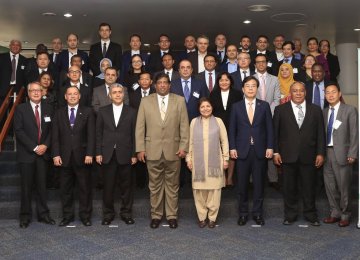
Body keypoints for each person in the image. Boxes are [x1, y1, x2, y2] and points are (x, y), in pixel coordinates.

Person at [135, 73, 189, 229]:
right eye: (160, 83)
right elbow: (140, 127)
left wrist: (184, 147)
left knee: (172, 185)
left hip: (174, 150)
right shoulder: (145, 101)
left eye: (166, 82)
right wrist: (140, 149)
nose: (163, 85)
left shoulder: (179, 100)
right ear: (155, 85)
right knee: (155, 186)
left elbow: (184, 126)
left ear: (169, 85)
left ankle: (172, 216)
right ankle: (156, 215)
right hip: (152, 150)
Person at [273, 81, 325, 226]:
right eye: (295, 91)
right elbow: (275, 134)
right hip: (287, 156)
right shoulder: (280, 110)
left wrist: (320, 153)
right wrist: (276, 152)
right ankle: (290, 215)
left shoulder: (315, 110)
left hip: (309, 156)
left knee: (309, 187)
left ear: (305, 92)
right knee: (289, 188)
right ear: (290, 93)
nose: (298, 93)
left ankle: (311, 214)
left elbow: (321, 133)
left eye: (301, 91)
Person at [229, 76, 274, 226]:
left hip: (260, 150)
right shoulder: (236, 106)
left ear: (258, 88)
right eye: (247, 86)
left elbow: (269, 128)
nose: (250, 88)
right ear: (243, 89)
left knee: (259, 185)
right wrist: (232, 147)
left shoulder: (264, 106)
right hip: (241, 151)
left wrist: (270, 146)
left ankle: (257, 213)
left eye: (253, 86)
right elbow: (232, 129)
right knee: (241, 186)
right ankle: (242, 214)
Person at [14, 82, 56, 228]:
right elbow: (18, 131)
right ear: (28, 93)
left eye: (39, 90)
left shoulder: (49, 108)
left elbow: (52, 130)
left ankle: (43, 214)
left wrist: (45, 145)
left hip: (43, 154)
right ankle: (25, 216)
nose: (36, 93)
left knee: (42, 187)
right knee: (26, 187)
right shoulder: (20, 109)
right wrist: (34, 147)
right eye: (33, 91)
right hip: (27, 154)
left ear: (43, 92)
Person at [52, 86, 95, 227]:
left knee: (85, 189)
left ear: (79, 96)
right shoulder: (58, 113)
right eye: (69, 94)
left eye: (75, 94)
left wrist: (89, 153)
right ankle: (67, 216)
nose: (72, 96)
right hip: (63, 157)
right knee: (65, 190)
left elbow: (91, 135)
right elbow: (55, 136)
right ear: (65, 96)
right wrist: (56, 154)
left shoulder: (88, 111)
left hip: (83, 157)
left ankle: (85, 216)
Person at [96, 84, 137, 226]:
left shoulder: (132, 112)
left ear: (124, 94)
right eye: (115, 92)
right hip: (107, 154)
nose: (118, 94)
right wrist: (98, 152)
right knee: (108, 187)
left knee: (127, 187)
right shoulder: (102, 111)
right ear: (110, 95)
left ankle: (126, 213)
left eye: (120, 92)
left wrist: (134, 154)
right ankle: (108, 214)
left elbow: (134, 135)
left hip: (126, 153)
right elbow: (98, 133)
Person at [186, 97, 229, 228]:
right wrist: (189, 159)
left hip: (215, 162)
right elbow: (191, 142)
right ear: (199, 109)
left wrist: (226, 159)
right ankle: (202, 217)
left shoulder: (218, 121)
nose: (205, 109)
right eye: (202, 107)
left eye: (208, 106)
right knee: (199, 192)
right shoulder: (194, 122)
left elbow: (224, 141)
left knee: (214, 191)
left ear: (212, 107)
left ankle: (212, 218)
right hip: (198, 163)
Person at [323, 82, 358, 227]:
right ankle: (335, 213)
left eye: (333, 92)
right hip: (326, 154)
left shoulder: (349, 110)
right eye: (327, 93)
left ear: (339, 93)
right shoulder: (324, 112)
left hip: (344, 154)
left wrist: (353, 153)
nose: (330, 95)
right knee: (330, 186)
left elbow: (355, 133)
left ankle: (345, 214)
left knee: (344, 187)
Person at [209, 72, 243, 186]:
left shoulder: (238, 94)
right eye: (221, 80)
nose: (224, 82)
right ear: (218, 82)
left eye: (226, 80)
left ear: (231, 82)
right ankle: (222, 177)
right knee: (220, 153)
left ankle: (230, 178)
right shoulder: (213, 94)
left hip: (234, 127)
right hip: (217, 127)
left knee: (231, 152)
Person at [254, 54, 281, 190]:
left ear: (267, 63)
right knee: (254, 146)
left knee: (271, 144)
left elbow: (277, 99)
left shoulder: (275, 79)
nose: (261, 64)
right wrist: (259, 113)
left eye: (263, 62)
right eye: (258, 62)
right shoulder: (250, 79)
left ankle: (273, 178)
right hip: (253, 118)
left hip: (270, 116)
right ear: (255, 64)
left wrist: (266, 111)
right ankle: (253, 178)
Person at [129, 72, 156, 189]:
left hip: (153, 129)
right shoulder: (132, 95)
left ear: (151, 81)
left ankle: (153, 183)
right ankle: (140, 185)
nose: (144, 81)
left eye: (147, 79)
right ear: (139, 82)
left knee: (153, 157)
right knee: (139, 154)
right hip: (137, 129)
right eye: (142, 79)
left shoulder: (156, 94)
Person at [0, 39, 27, 105]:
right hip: (2, 91)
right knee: (2, 113)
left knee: (17, 113)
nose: (15, 46)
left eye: (17, 45)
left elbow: (26, 77)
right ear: (9, 46)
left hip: (19, 91)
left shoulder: (25, 60)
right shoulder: (1, 57)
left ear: (20, 47)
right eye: (13, 45)